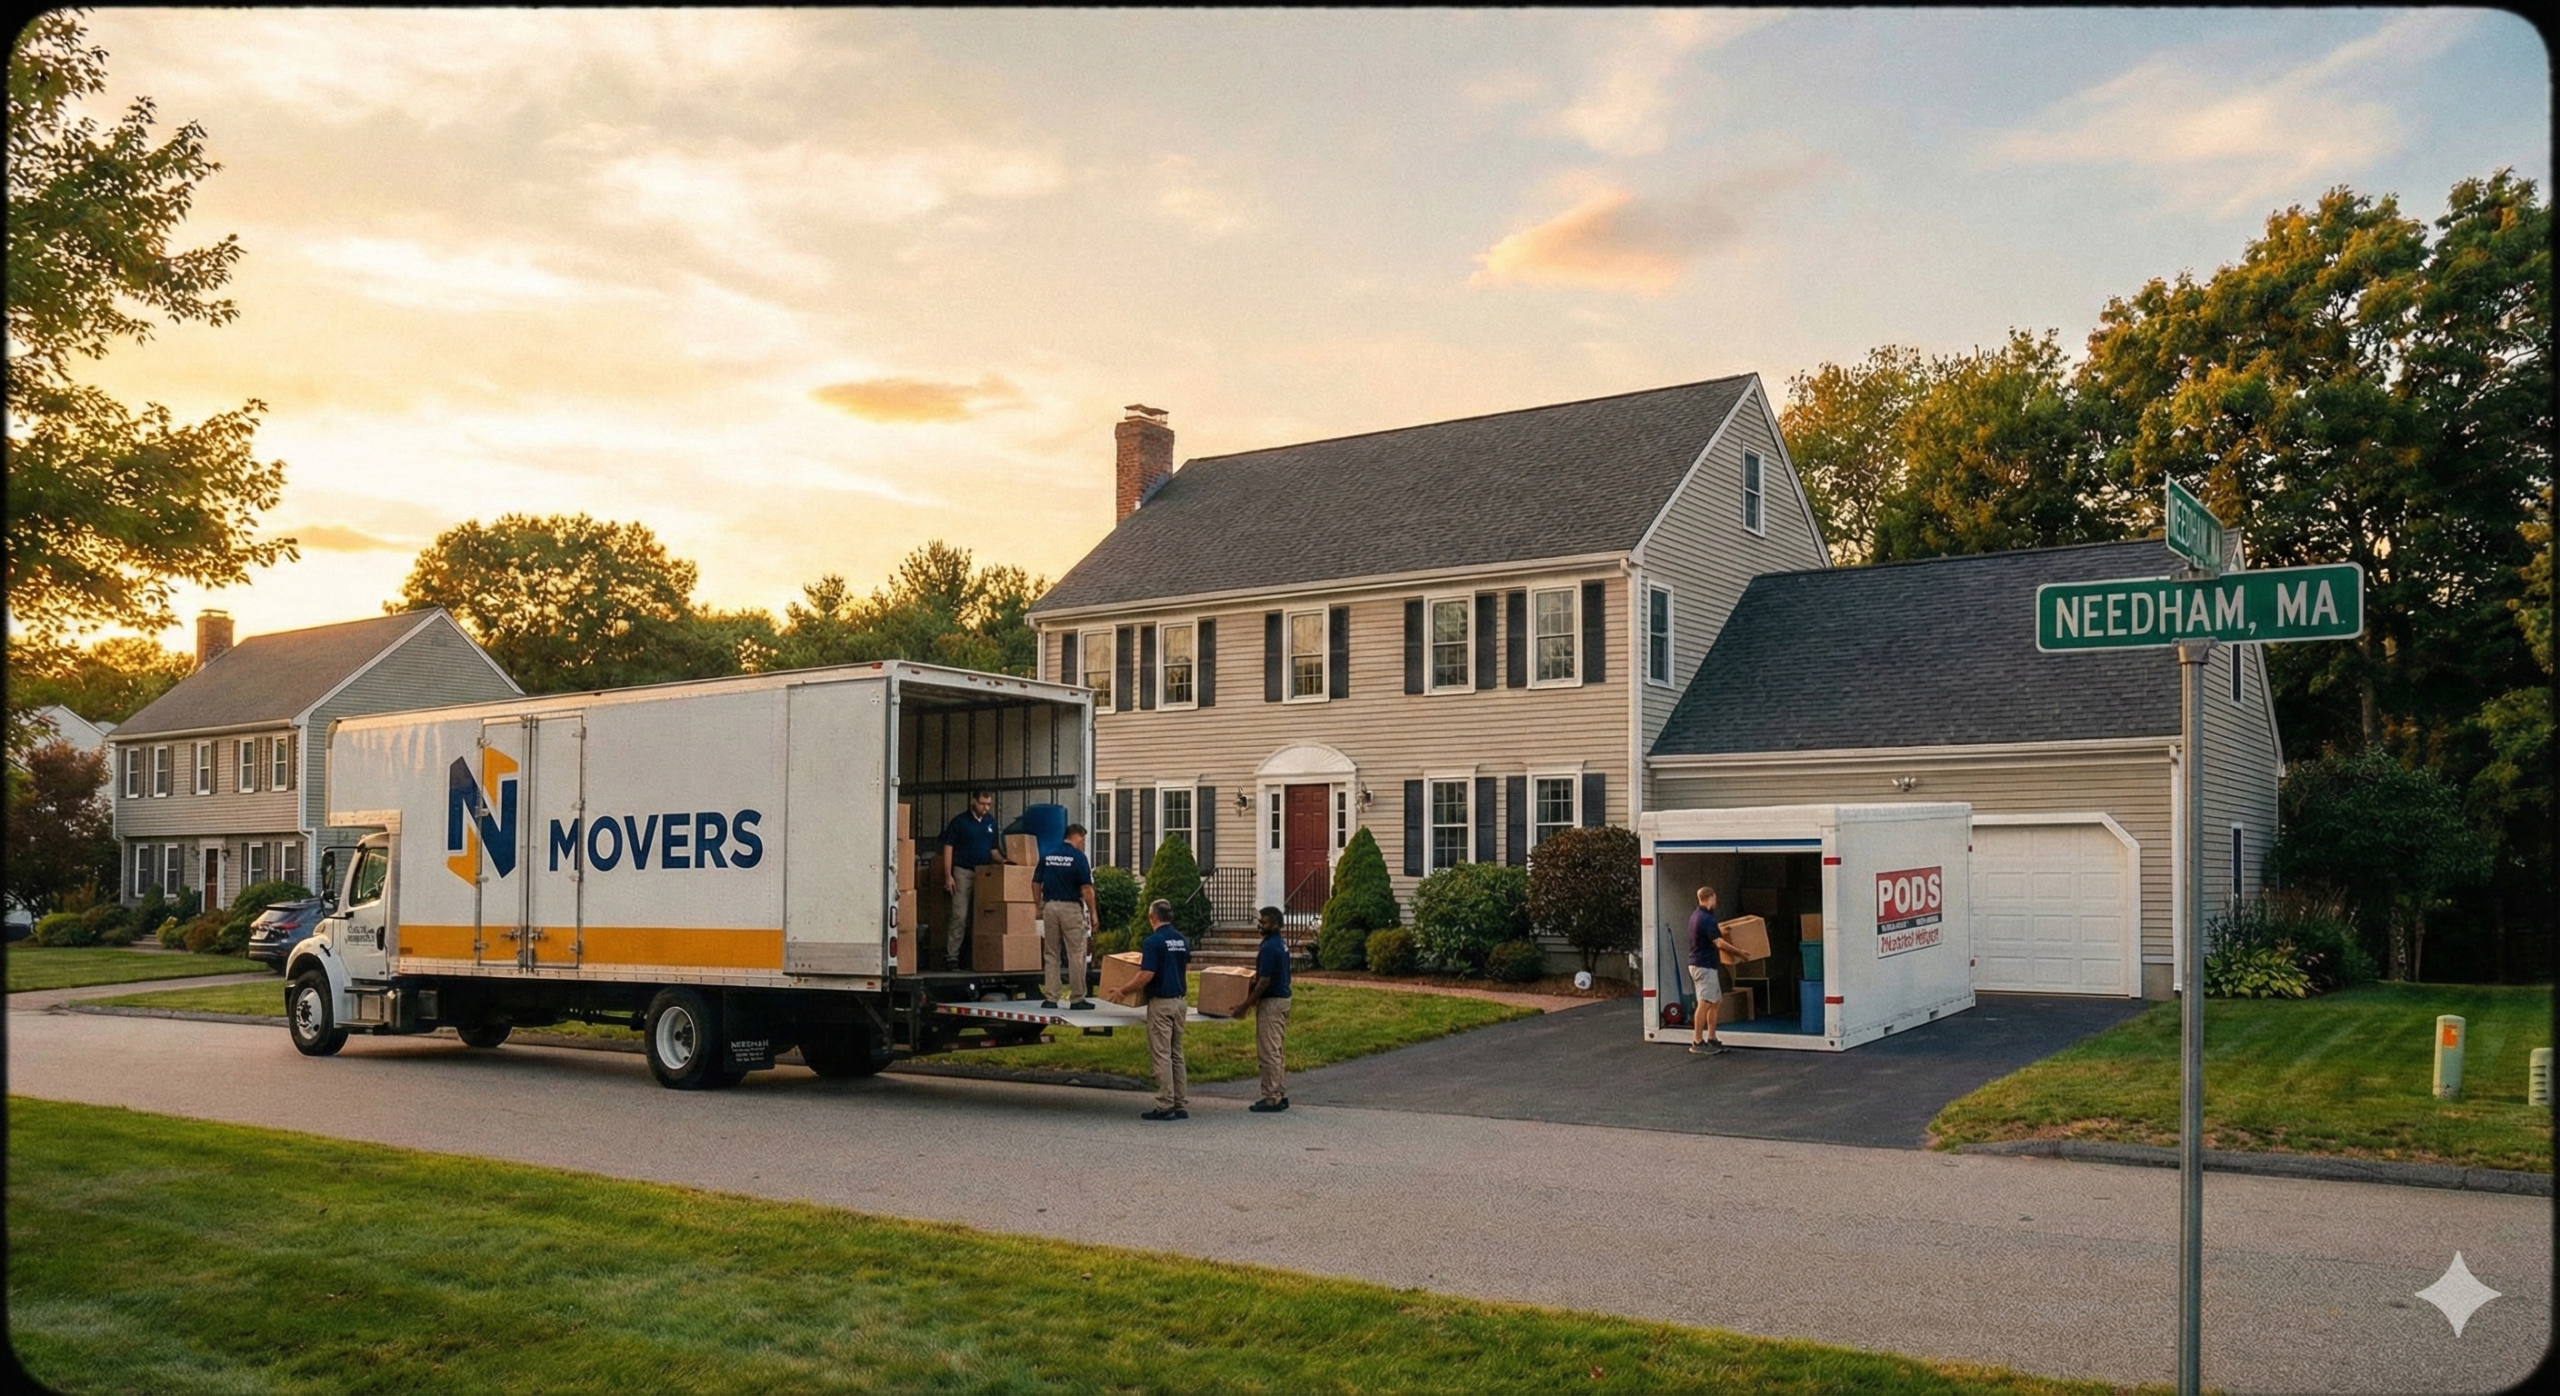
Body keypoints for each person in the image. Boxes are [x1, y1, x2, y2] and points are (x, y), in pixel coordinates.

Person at [937, 789, 1005, 969]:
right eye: (982, 803)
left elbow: (993, 850)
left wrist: (1005, 862)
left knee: (983, 916)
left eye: (988, 804)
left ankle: (979, 955)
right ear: (973, 801)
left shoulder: (990, 822)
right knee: (960, 914)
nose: (986, 807)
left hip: (984, 874)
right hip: (963, 872)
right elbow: (948, 848)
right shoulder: (960, 822)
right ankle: (952, 956)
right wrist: (948, 876)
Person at [1136, 897, 1190, 1120]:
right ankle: (1179, 1102)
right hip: (1179, 1001)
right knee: (1176, 1053)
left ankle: (1164, 1104)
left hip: (1161, 1002)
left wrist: (1123, 989)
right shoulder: (1182, 940)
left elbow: (1147, 975)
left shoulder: (1153, 942)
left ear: (1152, 917)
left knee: (1161, 1054)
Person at [1037, 823, 1099, 1010]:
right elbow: (1086, 889)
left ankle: (1051, 997)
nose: (1083, 843)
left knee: (1051, 953)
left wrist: (1037, 905)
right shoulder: (1079, 858)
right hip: (1071, 908)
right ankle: (1077, 998)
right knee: (1076, 954)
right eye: (1083, 839)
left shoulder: (1048, 854)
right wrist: (1093, 912)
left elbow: (1035, 881)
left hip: (1050, 906)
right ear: (1076, 836)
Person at [1242, 905, 1293, 1112]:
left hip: (1272, 1003)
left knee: (1269, 1051)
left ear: (1275, 923)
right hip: (1283, 1000)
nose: (1259, 925)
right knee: (1277, 1050)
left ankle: (1271, 1097)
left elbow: (1264, 981)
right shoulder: (1280, 943)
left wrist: (1245, 1004)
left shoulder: (1270, 947)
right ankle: (1279, 1092)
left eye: (1263, 922)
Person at [1688, 885, 1742, 1055]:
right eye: (1715, 898)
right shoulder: (1706, 918)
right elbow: (1718, 943)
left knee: (1715, 1001)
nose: (1716, 900)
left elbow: (1710, 933)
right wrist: (1739, 952)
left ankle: (1711, 1038)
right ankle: (1697, 1041)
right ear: (1710, 898)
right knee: (1705, 1002)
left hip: (1704, 964)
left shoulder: (1697, 916)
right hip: (1703, 965)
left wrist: (1722, 931)